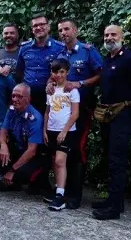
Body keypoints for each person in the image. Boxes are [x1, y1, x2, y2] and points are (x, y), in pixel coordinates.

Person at [92, 25, 131, 220]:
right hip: (108, 115)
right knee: (110, 157)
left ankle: (114, 209)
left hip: (123, 115)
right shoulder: (108, 59)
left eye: (113, 34)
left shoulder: (129, 59)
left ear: (122, 37)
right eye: (106, 35)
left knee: (118, 161)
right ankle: (115, 200)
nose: (109, 37)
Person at [48, 18, 103, 209]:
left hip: (82, 109)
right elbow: (54, 75)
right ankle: (61, 191)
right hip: (60, 111)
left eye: (67, 29)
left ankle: (74, 196)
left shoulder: (88, 51)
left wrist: (80, 84)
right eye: (60, 30)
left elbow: (100, 75)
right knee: (61, 152)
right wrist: (50, 83)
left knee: (78, 150)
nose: (63, 33)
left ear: (75, 30)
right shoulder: (60, 53)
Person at [42, 58, 80, 211]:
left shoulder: (72, 91)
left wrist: (64, 130)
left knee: (60, 161)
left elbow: (75, 113)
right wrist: (44, 130)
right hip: (51, 129)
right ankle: (58, 189)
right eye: (55, 72)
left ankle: (60, 197)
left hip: (66, 131)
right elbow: (47, 112)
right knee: (54, 162)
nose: (59, 75)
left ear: (67, 72)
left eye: (62, 72)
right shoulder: (50, 90)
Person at [0, 83, 50, 191]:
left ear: (28, 99)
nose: (15, 99)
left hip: (33, 155)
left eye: (19, 96)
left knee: (21, 173)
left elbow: (32, 151)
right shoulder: (12, 110)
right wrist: (3, 145)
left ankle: (30, 182)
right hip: (19, 149)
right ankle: (10, 182)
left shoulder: (35, 119)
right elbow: (3, 131)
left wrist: (12, 170)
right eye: (13, 96)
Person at [16, 12, 64, 114]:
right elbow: (19, 72)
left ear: (48, 27)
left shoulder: (60, 48)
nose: (38, 27)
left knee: (48, 127)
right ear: (32, 30)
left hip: (51, 96)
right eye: (35, 26)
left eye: (42, 24)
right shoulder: (24, 48)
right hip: (28, 97)